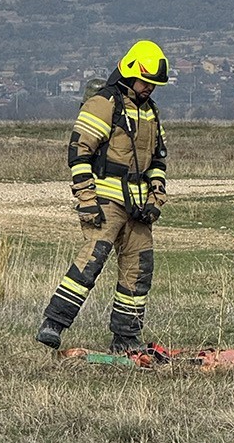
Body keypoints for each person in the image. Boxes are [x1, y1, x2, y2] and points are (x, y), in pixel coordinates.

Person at [36, 40, 170, 352]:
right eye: (146, 81)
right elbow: (79, 153)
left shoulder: (151, 112)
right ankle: (53, 323)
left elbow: (158, 160)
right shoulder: (104, 103)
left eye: (154, 84)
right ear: (129, 73)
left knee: (139, 272)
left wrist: (156, 197)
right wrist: (87, 199)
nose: (150, 88)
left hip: (139, 209)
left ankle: (125, 339)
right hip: (105, 202)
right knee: (90, 263)